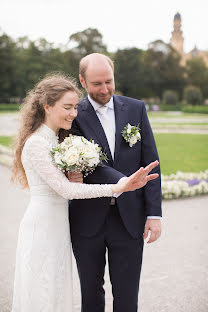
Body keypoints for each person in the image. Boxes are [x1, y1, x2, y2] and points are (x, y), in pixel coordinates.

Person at [11, 73, 159, 312]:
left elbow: (65, 181)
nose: (74, 113)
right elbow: (67, 190)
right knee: (44, 287)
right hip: (44, 224)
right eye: (68, 107)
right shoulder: (38, 143)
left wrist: (73, 173)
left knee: (58, 285)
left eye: (74, 107)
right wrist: (117, 186)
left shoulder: (58, 139)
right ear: (47, 106)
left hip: (60, 224)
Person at [68, 53, 162, 311]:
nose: (105, 89)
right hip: (87, 219)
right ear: (82, 81)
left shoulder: (135, 108)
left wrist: (154, 214)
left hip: (130, 219)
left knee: (128, 296)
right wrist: (125, 181)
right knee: (90, 294)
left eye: (108, 81)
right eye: (97, 83)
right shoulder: (72, 113)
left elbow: (151, 161)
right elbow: (89, 164)